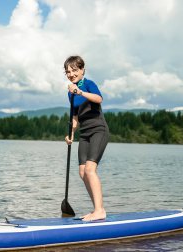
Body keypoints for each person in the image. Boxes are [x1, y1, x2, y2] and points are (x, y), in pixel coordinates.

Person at [64, 55, 109, 221]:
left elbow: (99, 99)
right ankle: (97, 209)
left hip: (98, 130)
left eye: (74, 70)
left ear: (82, 70)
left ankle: (100, 210)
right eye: (68, 71)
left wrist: (80, 91)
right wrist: (71, 134)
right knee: (83, 172)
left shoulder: (89, 84)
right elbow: (75, 117)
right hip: (84, 134)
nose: (71, 74)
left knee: (90, 169)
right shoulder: (71, 93)